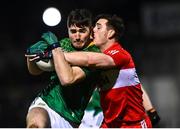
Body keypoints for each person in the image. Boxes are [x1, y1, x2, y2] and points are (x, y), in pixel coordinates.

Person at [62, 14, 154, 128]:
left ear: (110, 33)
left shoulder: (120, 54)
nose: (93, 30)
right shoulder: (99, 58)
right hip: (110, 124)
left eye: (98, 27)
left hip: (133, 124)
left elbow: (88, 60)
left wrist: (57, 54)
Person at [25, 9, 101, 128]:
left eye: (82, 31)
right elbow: (35, 71)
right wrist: (31, 56)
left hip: (70, 117)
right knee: (35, 125)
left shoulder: (95, 55)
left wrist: (55, 49)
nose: (77, 36)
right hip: (47, 102)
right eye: (73, 31)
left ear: (91, 31)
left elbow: (67, 79)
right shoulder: (64, 43)